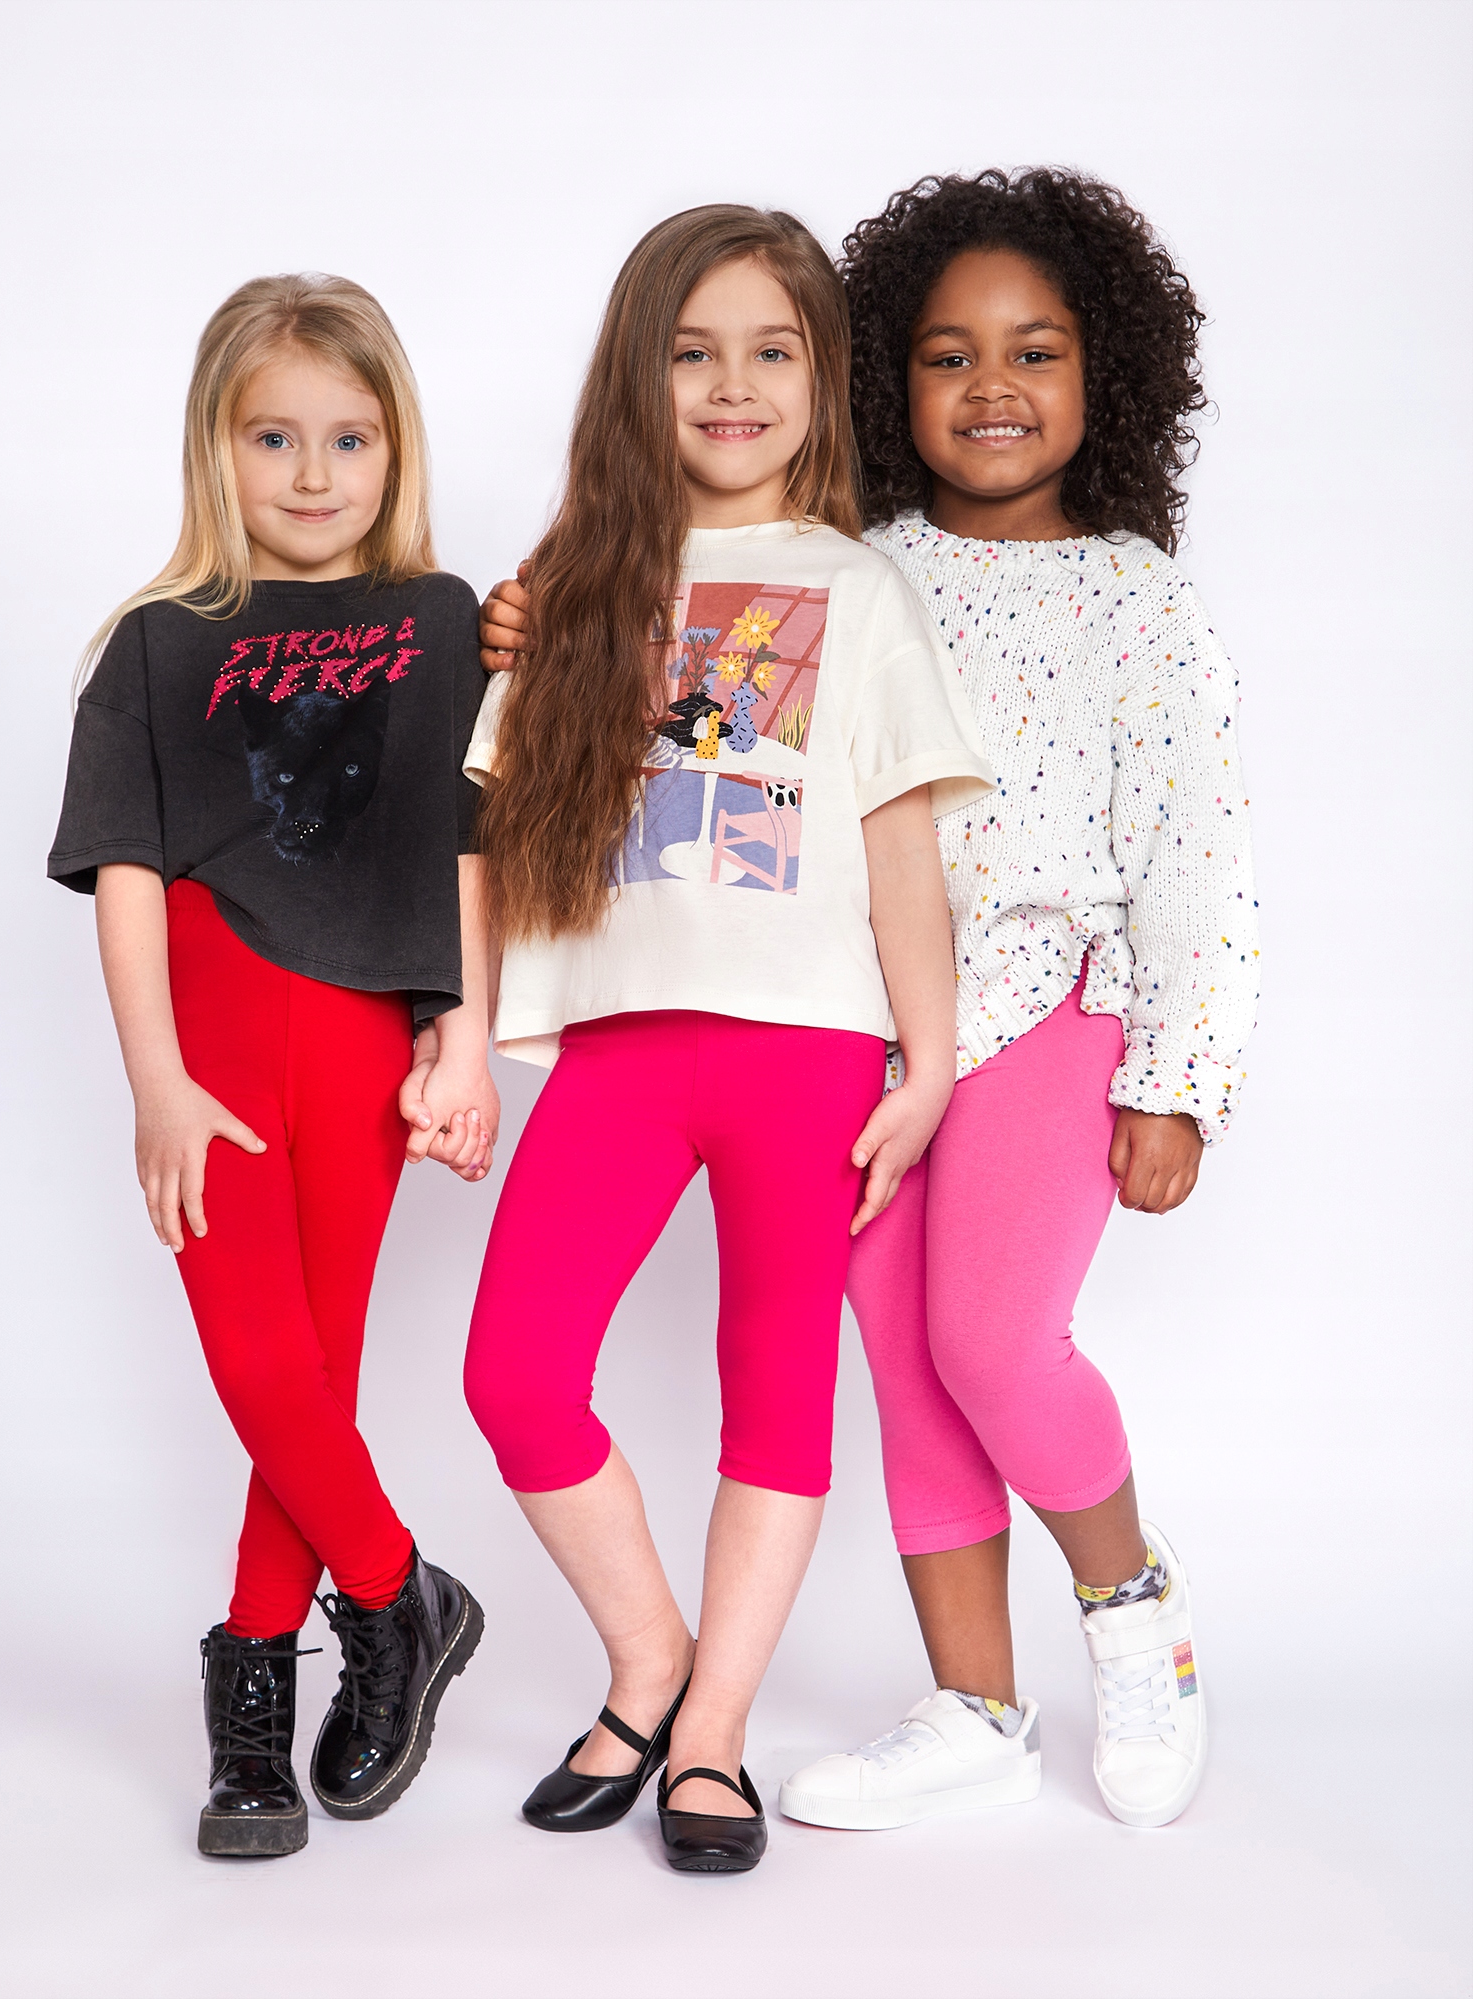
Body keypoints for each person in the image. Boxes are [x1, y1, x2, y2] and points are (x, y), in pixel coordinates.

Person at [478, 169, 1259, 1833]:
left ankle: (1132, 1604)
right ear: (887, 381)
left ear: (1107, 376)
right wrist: (529, 619)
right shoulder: (854, 559)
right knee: (902, 1363)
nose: (991, 387)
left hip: (1044, 1000)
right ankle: (975, 1702)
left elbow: (1195, 852)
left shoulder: (1137, 599)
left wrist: (1180, 1074)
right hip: (866, 1019)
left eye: (1036, 353)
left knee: (989, 1339)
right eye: (947, 355)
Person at [457, 204, 994, 1875]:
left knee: (775, 1400)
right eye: (693, 352)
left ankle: (713, 1734)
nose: (733, 383)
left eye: (772, 349)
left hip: (807, 1055)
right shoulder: (568, 591)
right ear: (640, 374)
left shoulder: (862, 591)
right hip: (620, 1050)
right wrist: (462, 1040)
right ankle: (648, 1663)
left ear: (822, 378)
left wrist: (930, 1067)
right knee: (514, 1373)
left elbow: (901, 851)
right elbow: (482, 833)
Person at [48, 274, 495, 1857]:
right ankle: (397, 1595)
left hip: (366, 1037)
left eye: (349, 439)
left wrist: (464, 1034)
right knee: (259, 1363)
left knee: (313, 1368)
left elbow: (465, 843)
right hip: (216, 1042)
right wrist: (155, 1080)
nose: (313, 473)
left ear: (395, 448)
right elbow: (122, 872)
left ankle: (256, 1687)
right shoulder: (157, 642)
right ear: (215, 450)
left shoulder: (441, 621)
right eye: (274, 438)